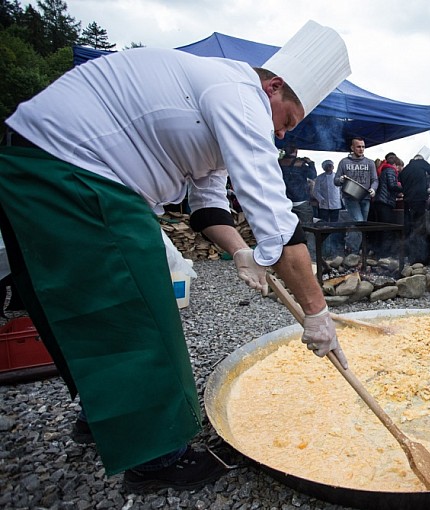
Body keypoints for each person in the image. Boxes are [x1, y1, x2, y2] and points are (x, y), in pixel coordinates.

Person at [0, 20, 350, 491]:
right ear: (273, 86)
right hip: (77, 173)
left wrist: (241, 251)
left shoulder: (214, 97)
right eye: (287, 121)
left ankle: (108, 419)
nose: (283, 136)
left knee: (79, 304)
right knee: (136, 307)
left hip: (36, 169)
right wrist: (317, 312)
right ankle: (157, 457)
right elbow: (279, 223)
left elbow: (208, 209)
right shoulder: (239, 94)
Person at [334, 137, 378, 254]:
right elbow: (336, 180)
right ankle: (351, 250)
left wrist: (373, 189)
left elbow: (375, 180)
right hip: (350, 197)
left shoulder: (370, 163)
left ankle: (354, 249)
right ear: (352, 148)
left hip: (366, 197)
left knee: (361, 224)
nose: (361, 149)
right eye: (358, 147)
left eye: (363, 147)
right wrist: (341, 179)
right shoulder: (344, 162)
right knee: (358, 221)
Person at [279, 143, 318, 258]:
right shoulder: (301, 164)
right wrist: (310, 163)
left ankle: (286, 256)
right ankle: (310, 257)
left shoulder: (278, 163)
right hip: (301, 201)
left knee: (286, 230)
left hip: (284, 201)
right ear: (295, 150)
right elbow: (313, 175)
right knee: (308, 230)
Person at [399, 147, 430, 264]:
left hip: (407, 201)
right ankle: (420, 257)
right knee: (419, 228)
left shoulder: (406, 169)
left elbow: (400, 179)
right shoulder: (422, 164)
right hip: (419, 201)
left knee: (409, 227)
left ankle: (410, 256)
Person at [373, 152, 403, 257]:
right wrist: (403, 187)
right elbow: (392, 185)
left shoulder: (384, 170)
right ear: (395, 164)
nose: (399, 169)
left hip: (380, 201)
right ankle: (385, 254)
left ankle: (378, 252)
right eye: (399, 166)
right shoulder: (390, 170)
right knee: (387, 228)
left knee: (381, 228)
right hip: (385, 202)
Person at [312, 159, 343, 257]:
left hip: (336, 205)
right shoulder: (320, 178)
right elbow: (315, 191)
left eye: (331, 165)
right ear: (324, 168)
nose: (329, 167)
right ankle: (323, 248)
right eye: (327, 166)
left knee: (334, 226)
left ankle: (334, 249)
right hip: (324, 206)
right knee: (324, 226)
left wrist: (342, 201)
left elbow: (341, 191)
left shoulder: (337, 178)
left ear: (333, 167)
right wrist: (321, 199)